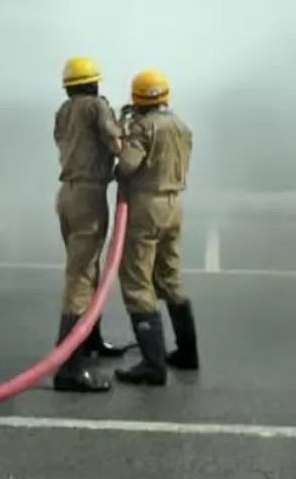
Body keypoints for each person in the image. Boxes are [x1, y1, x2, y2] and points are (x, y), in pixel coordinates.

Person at [113, 68, 196, 386]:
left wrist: (123, 136)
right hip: (174, 204)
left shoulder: (143, 128)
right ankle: (188, 353)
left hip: (147, 206)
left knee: (136, 282)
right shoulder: (181, 126)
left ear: (137, 97)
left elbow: (126, 168)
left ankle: (153, 365)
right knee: (169, 277)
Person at [51, 56, 126, 393]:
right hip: (88, 196)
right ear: (94, 82)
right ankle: (69, 365)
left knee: (89, 269)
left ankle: (91, 341)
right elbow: (115, 142)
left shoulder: (63, 111)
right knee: (81, 277)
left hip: (67, 195)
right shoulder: (96, 107)